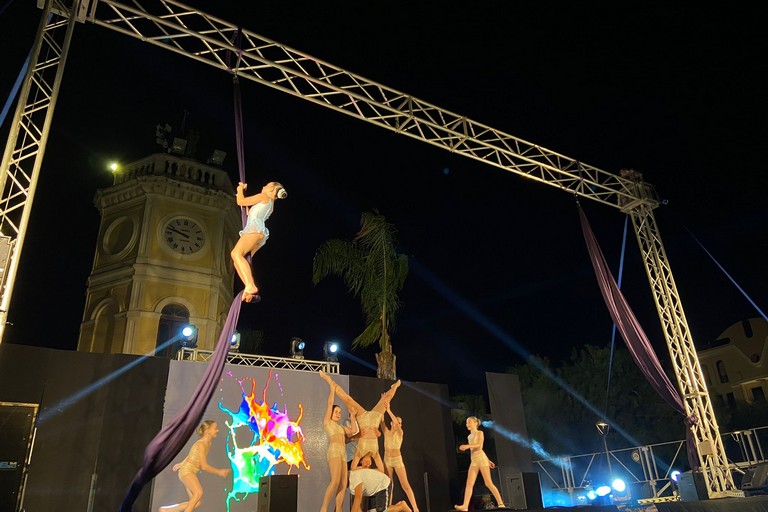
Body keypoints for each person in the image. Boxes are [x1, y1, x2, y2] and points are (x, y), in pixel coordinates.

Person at [319, 371, 401, 471]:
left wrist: (363, 468)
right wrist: (368, 469)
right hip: (375, 419)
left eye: (365, 463)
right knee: (386, 400)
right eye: (369, 463)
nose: (368, 463)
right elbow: (382, 470)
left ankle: (329, 380)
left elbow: (353, 468)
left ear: (361, 461)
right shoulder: (375, 453)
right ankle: (395, 386)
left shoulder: (359, 453)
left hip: (363, 419)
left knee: (347, 399)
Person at [231, 181, 287, 302]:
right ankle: (247, 286)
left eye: (266, 185)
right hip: (259, 233)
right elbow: (249, 213)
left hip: (255, 230)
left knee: (235, 254)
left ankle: (251, 285)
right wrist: (241, 196)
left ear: (272, 189)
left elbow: (240, 201)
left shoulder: (264, 196)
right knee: (238, 261)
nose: (263, 186)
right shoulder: (270, 204)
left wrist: (240, 188)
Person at [159, 420, 230, 512]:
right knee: (198, 493)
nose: (217, 430)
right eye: (215, 428)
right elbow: (204, 466)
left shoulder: (208, 443)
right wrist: (219, 472)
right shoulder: (201, 444)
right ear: (208, 430)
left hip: (190, 471)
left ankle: (165, 510)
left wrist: (181, 463)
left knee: (197, 502)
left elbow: (192, 453)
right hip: (187, 471)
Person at [320, 374, 360, 512]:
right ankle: (324, 508)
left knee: (343, 484)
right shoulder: (328, 423)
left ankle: (339, 509)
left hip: (342, 453)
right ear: (331, 413)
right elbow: (330, 403)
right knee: (335, 481)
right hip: (334, 451)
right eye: (336, 411)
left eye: (340, 412)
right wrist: (331, 387)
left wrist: (353, 416)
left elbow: (354, 431)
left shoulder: (341, 428)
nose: (338, 414)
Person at [454, 416, 505, 511]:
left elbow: (479, 446)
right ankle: (465, 506)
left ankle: (501, 503)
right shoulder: (469, 436)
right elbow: (473, 450)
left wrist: (467, 446)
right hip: (474, 461)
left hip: (481, 460)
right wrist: (488, 460)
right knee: (469, 484)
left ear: (475, 423)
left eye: (469, 422)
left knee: (488, 482)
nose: (467, 424)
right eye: (466, 423)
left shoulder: (479, 433)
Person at [381, 405, 419, 512]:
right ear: (391, 423)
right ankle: (388, 507)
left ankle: (415, 509)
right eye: (397, 422)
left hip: (397, 461)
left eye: (400, 423)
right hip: (387, 461)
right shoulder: (386, 432)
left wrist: (388, 410)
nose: (399, 424)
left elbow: (397, 424)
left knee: (405, 485)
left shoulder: (400, 433)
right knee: (389, 485)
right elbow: (381, 420)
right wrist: (383, 405)